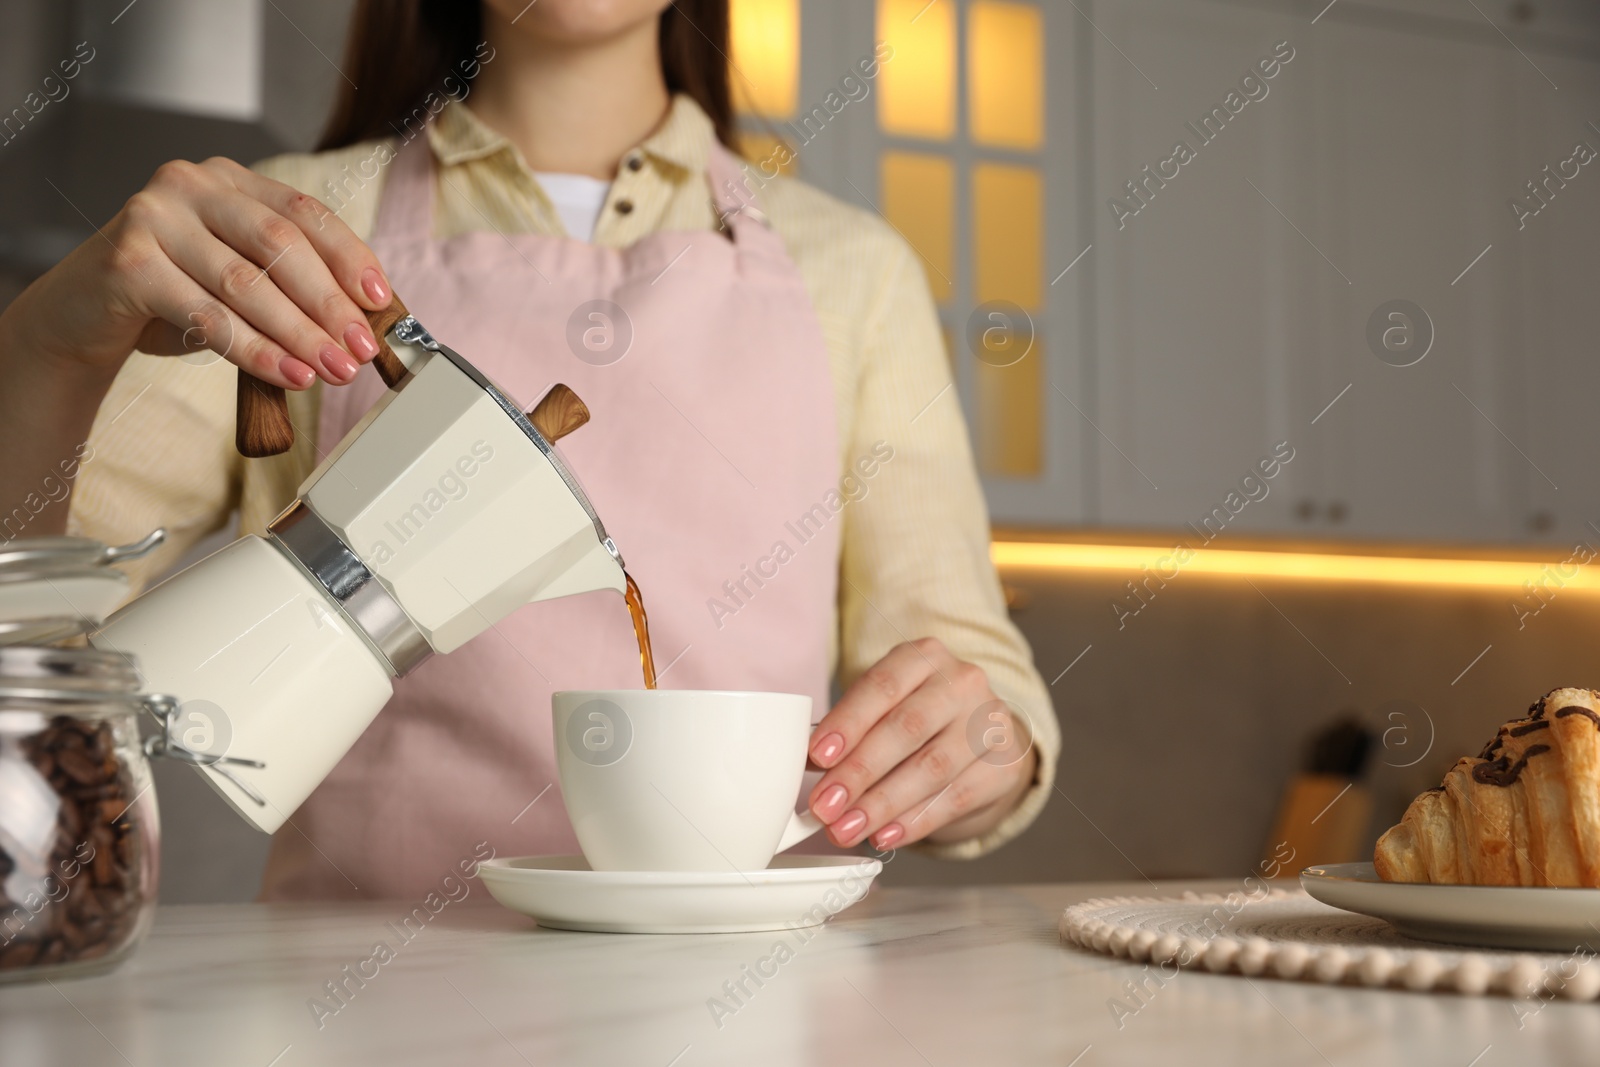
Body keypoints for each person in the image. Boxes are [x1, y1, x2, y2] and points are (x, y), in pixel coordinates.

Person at [0, 0, 1058, 898]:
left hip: (759, 1004)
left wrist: (978, 741)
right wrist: (51, 341)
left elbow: (975, 678)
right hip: (366, 1010)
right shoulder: (286, 234)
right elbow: (29, 623)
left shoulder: (854, 271)